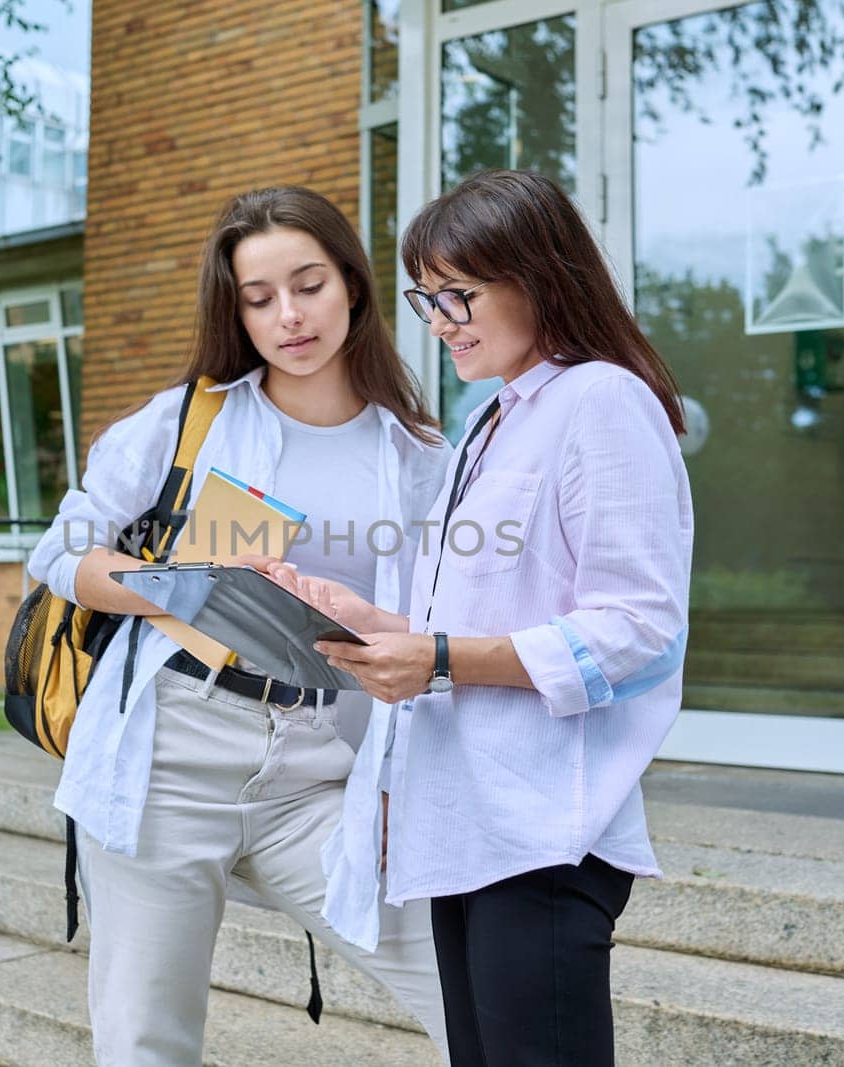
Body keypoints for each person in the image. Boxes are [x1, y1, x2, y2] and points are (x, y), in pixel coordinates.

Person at [266, 169, 694, 1066]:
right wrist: (367, 620)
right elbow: (469, 618)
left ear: (540, 276)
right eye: (428, 298)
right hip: (463, 822)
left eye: (459, 293)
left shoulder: (602, 401)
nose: (440, 320)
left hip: (542, 831)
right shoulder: (489, 424)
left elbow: (637, 624)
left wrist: (442, 658)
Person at [26, 185, 453, 1065]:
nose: (289, 316)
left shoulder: (416, 456)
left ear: (353, 287)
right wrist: (188, 588)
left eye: (308, 286)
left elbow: (433, 623)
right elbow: (63, 556)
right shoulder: (196, 416)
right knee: (149, 1040)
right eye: (259, 299)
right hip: (170, 750)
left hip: (315, 762)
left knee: (459, 981)